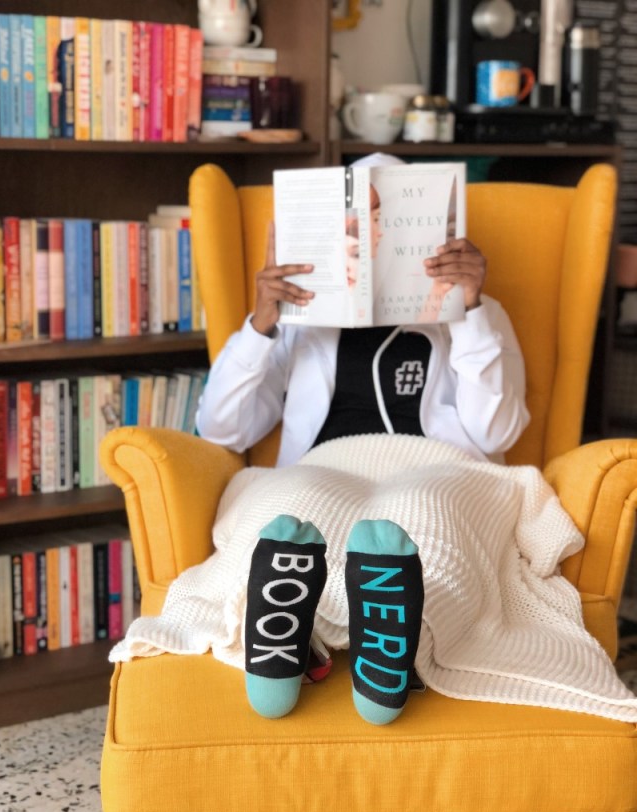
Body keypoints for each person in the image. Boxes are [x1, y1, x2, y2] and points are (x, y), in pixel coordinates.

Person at [194, 154, 530, 725]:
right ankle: (288, 643)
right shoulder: (297, 316)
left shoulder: (476, 313)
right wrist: (262, 323)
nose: (370, 236)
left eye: (387, 220)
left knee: (417, 517)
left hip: (438, 466)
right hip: (325, 465)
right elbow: (223, 427)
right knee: (287, 511)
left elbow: (496, 431)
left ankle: (386, 647)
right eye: (355, 224)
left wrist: (469, 311)